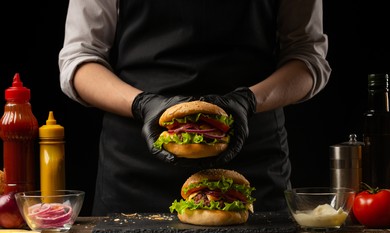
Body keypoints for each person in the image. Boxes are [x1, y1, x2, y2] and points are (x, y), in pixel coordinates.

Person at [59, 0, 331, 216]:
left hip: (251, 158)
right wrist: (142, 104)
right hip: (135, 165)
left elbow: (307, 57)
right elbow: (80, 59)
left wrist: (248, 100)